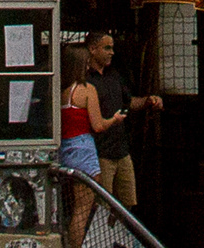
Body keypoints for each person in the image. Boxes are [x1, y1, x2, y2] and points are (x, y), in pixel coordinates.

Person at [60, 44, 132, 248]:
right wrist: (115, 119)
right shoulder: (87, 90)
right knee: (83, 209)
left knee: (73, 205)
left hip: (67, 147)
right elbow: (98, 125)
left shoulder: (63, 91)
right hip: (84, 147)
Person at [90, 29, 160, 215]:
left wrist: (147, 101)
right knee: (103, 205)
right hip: (100, 152)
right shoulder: (86, 81)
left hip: (122, 150)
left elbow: (129, 102)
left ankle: (120, 238)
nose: (112, 52)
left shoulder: (114, 76)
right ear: (92, 49)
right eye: (107, 48)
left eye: (112, 48)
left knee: (128, 202)